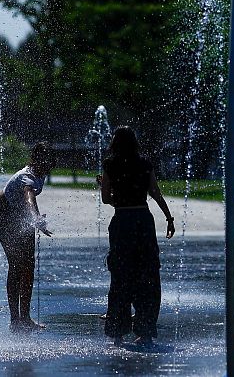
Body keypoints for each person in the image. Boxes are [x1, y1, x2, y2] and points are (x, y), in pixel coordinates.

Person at [98, 126, 175, 345]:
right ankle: (145, 331)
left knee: (121, 275)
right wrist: (169, 218)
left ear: (115, 142)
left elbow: (106, 199)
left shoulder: (110, 165)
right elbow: (155, 192)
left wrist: (113, 192)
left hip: (122, 221)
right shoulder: (145, 163)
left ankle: (118, 331)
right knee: (148, 274)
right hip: (143, 221)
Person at [0, 141, 55, 332]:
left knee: (28, 264)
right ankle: (15, 320)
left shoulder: (38, 172)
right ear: (36, 160)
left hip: (20, 215)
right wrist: (35, 218)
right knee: (16, 264)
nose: (47, 166)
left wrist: (33, 217)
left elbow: (30, 202)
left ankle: (25, 318)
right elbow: (29, 197)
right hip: (4, 213)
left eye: (49, 162)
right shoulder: (27, 177)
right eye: (44, 162)